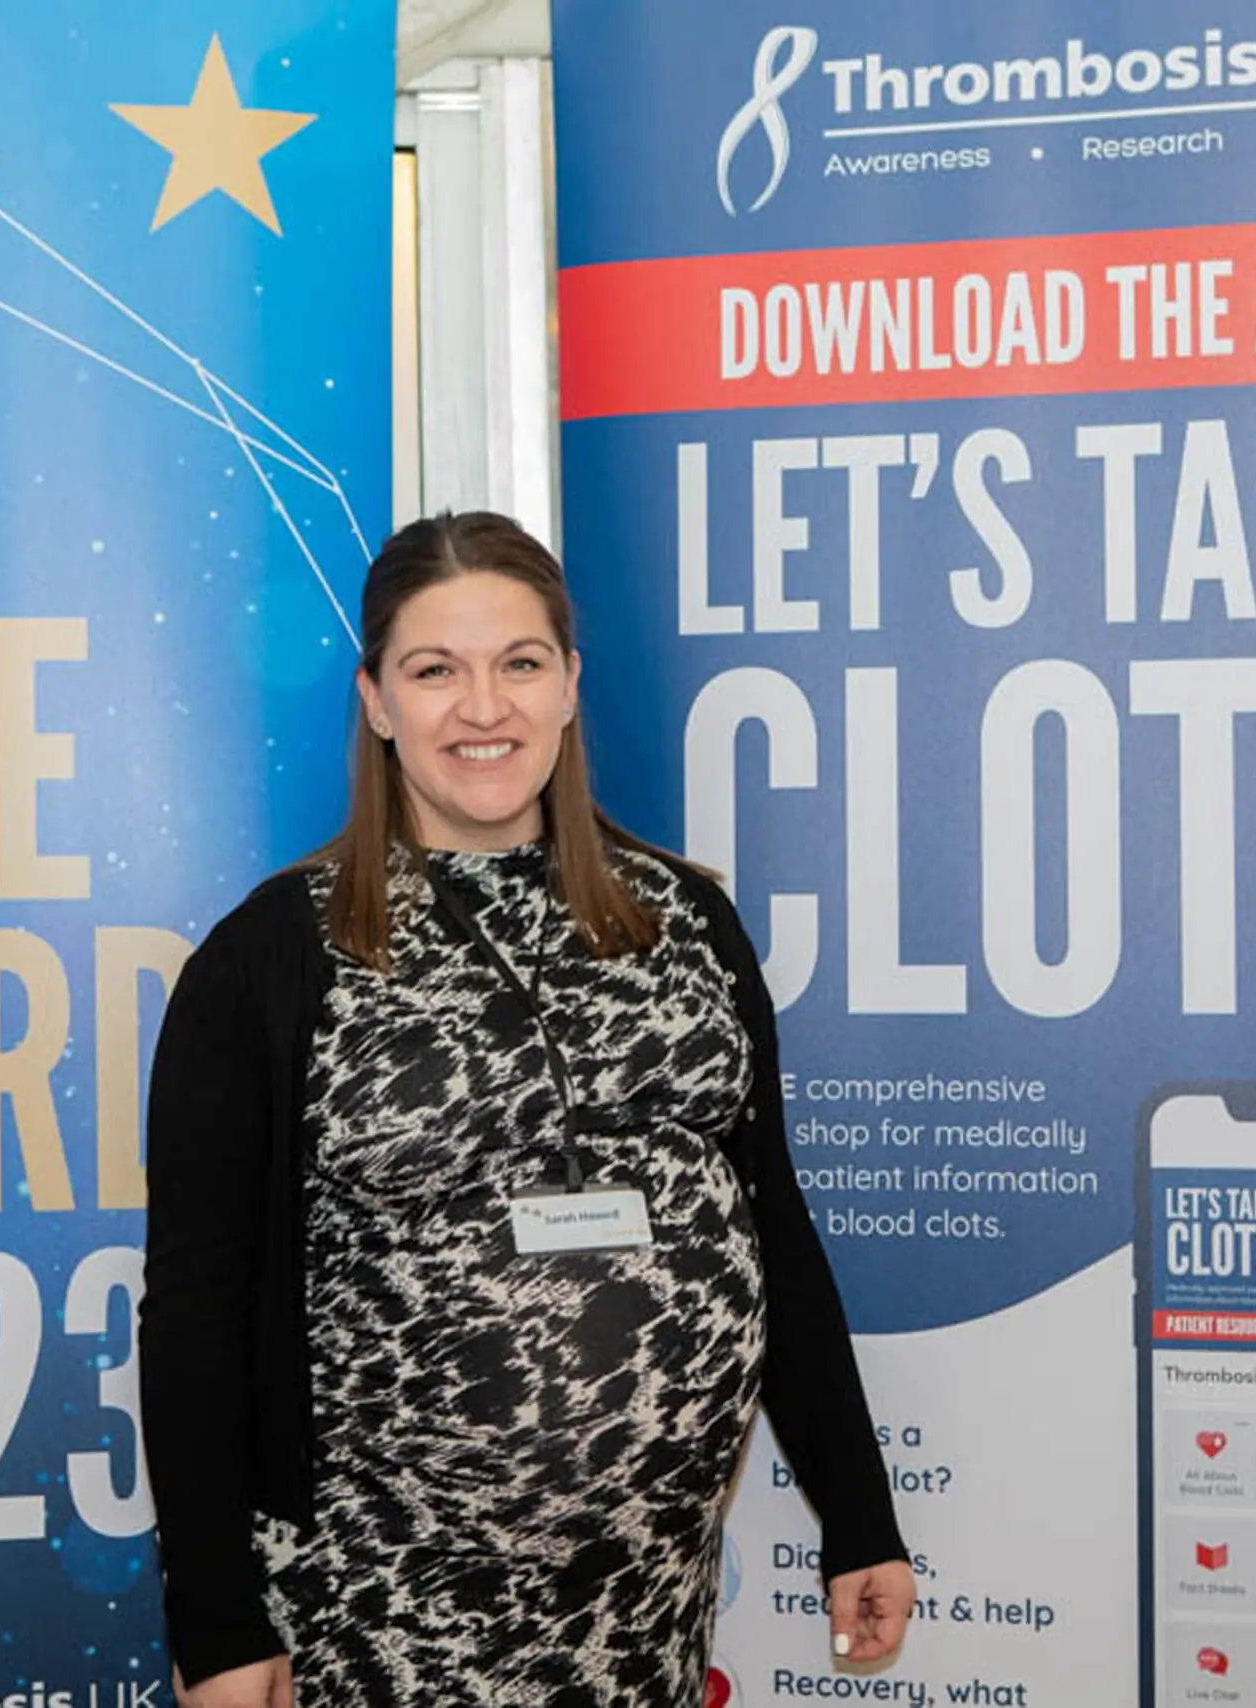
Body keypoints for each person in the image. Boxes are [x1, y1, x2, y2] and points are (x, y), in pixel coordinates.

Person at [139, 511, 915, 1707]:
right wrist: (215, 1620)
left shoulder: (688, 925)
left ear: (568, 686)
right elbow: (194, 1314)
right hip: (374, 1617)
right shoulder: (269, 962)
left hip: (640, 1613)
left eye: (519, 662)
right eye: (433, 670)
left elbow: (775, 1233)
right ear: (376, 702)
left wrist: (857, 1511)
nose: (482, 707)